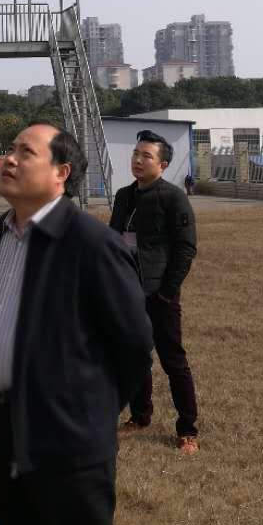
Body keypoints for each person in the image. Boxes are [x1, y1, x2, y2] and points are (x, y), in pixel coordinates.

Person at [0, 124, 152, 525]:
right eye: (10, 149)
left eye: (25, 152)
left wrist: (87, 414)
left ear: (61, 173)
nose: (9, 160)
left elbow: (133, 346)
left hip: (66, 442)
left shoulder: (92, 244)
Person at [111, 130, 201, 453]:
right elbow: (114, 238)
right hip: (127, 292)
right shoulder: (124, 196)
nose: (137, 160)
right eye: (135, 154)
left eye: (146, 156)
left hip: (158, 293)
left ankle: (187, 429)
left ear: (162, 165)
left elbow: (186, 248)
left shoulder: (173, 198)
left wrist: (166, 291)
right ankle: (140, 416)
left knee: (173, 360)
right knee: (135, 357)